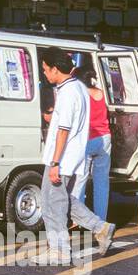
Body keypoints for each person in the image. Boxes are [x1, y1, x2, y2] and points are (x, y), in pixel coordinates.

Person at [38, 48, 115, 263]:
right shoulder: (79, 88)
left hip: (61, 159)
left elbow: (64, 129)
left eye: (45, 69)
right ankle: (101, 228)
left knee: (51, 204)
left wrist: (54, 162)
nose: (44, 73)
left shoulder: (68, 92)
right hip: (71, 157)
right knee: (65, 201)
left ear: (55, 69)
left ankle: (59, 251)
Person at [76, 67, 113, 222]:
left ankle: (79, 219)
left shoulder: (81, 94)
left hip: (88, 139)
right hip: (105, 138)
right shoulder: (100, 93)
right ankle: (101, 220)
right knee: (102, 183)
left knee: (80, 181)